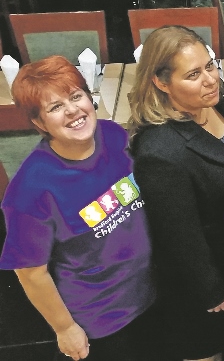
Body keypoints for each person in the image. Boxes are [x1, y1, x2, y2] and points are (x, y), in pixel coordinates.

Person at [0, 56, 156, 361]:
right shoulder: (31, 190)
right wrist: (65, 328)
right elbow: (31, 273)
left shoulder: (113, 135)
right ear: (38, 123)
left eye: (76, 96)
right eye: (55, 107)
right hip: (101, 317)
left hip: (150, 292)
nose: (72, 111)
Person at [128, 26, 224, 361]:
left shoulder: (214, 95)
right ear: (161, 82)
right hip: (208, 273)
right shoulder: (159, 151)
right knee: (206, 348)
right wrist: (209, 288)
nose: (209, 79)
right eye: (192, 74)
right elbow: (179, 234)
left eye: (210, 66)